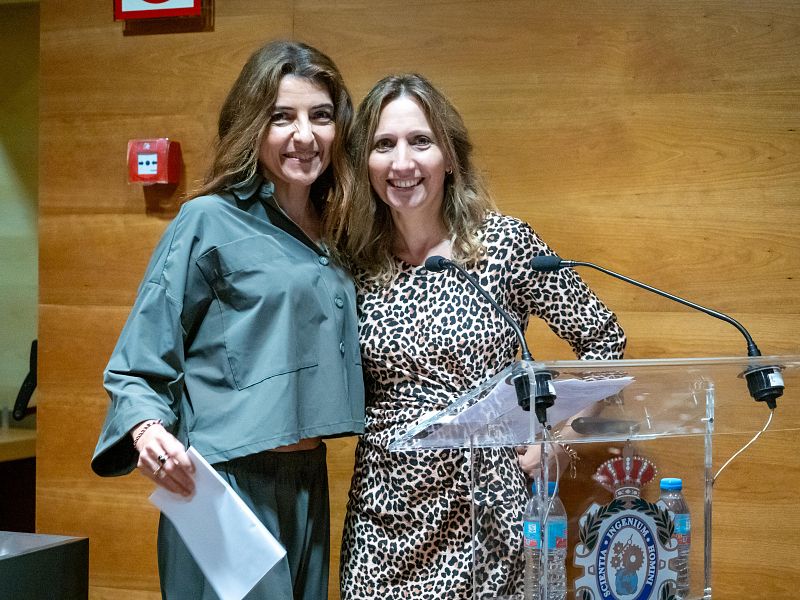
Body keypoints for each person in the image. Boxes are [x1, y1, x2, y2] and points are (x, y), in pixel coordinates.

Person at [331, 73, 626, 599]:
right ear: (364, 162)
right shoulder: (351, 262)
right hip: (383, 523)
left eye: (420, 141)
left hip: (490, 516)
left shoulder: (503, 244)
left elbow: (604, 341)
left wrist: (559, 441)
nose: (402, 163)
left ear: (449, 155)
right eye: (384, 145)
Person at [91, 40, 364, 600]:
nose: (304, 136)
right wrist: (145, 431)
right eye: (282, 117)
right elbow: (137, 364)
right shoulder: (206, 220)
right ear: (253, 125)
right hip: (224, 483)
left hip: (309, 479)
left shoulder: (341, 233)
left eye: (321, 116)